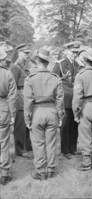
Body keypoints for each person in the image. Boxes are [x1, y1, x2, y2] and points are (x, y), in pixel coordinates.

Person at [24, 48, 64, 180]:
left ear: (37, 60)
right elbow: (60, 99)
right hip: (52, 112)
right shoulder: (56, 78)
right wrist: (60, 116)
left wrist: (27, 118)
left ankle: (41, 171)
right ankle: (51, 169)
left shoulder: (30, 79)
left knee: (38, 143)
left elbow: (28, 101)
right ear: (47, 62)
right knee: (51, 142)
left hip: (37, 112)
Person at [52, 41, 81, 159]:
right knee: (65, 126)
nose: (75, 54)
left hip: (75, 99)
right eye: (73, 52)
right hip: (64, 99)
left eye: (77, 52)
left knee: (74, 125)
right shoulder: (60, 64)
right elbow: (53, 80)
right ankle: (65, 150)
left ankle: (73, 148)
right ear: (67, 51)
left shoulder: (77, 65)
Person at [11, 43, 32, 158]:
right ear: (19, 53)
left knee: (27, 123)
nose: (27, 55)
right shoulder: (15, 67)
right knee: (20, 125)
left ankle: (28, 146)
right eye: (25, 53)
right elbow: (12, 85)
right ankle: (19, 149)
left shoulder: (25, 65)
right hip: (19, 98)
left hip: (27, 97)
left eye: (28, 53)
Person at [0, 50, 17, 185]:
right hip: (3, 108)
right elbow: (12, 96)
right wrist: (13, 115)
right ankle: (5, 173)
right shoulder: (7, 73)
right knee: (4, 141)